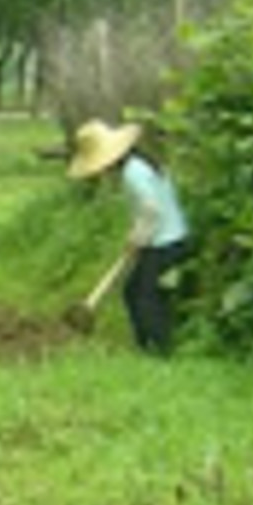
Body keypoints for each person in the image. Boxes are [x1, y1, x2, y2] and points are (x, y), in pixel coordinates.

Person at [68, 118, 190, 354]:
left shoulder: (133, 173)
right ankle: (148, 346)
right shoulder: (141, 164)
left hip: (164, 243)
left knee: (144, 297)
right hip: (169, 239)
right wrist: (136, 236)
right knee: (136, 292)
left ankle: (160, 350)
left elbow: (152, 210)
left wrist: (138, 239)